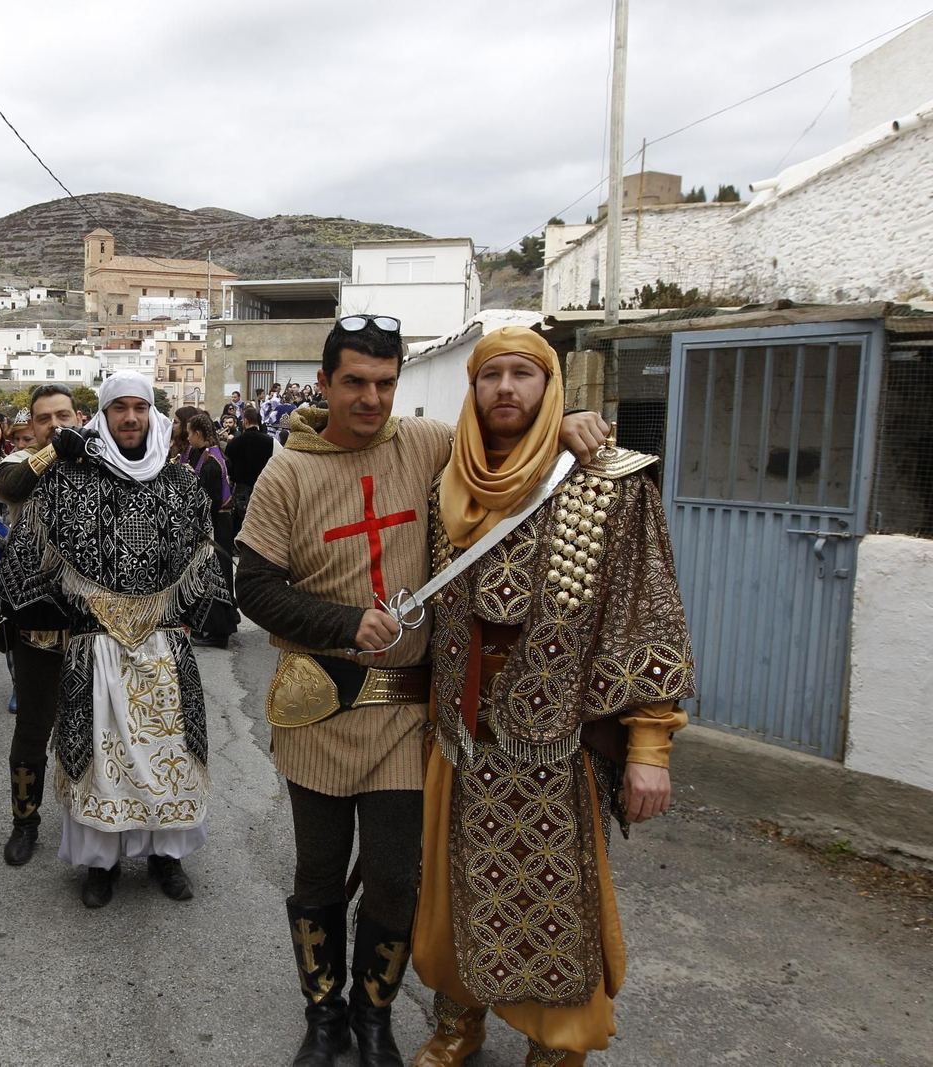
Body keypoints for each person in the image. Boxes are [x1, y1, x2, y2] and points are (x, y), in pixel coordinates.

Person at [235, 316, 609, 1067]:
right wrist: (345, 622)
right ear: (325, 383)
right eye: (354, 383)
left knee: (397, 880)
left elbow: (499, 439)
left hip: (408, 712)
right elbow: (252, 586)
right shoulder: (288, 472)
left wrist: (563, 420)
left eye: (384, 382)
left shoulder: (426, 443)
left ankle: (375, 1019)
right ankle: (324, 1015)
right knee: (317, 875)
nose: (370, 398)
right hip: (320, 707)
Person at [409, 328, 692, 1067]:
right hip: (461, 738)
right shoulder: (448, 478)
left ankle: (557, 1041)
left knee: (552, 903)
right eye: (491, 375)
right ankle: (457, 1022)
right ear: (470, 390)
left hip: (556, 744)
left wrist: (650, 750)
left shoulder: (611, 481)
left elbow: (648, 617)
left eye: (525, 376)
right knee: (450, 895)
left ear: (553, 387)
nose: (507, 389)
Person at [0, 372, 228, 908]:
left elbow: (203, 551)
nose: (130, 418)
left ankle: (166, 858)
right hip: (95, 643)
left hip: (162, 647)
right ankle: (100, 865)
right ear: (102, 416)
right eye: (119, 408)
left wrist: (175, 614)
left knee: (167, 751)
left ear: (153, 414)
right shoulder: (69, 474)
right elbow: (15, 504)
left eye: (139, 408)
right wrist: (54, 452)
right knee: (101, 761)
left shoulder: (178, 482)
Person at [0, 384, 82, 866]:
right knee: (32, 727)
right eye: (45, 419)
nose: (55, 425)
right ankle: (25, 823)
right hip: (36, 619)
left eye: (64, 416)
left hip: (94, 621)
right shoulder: (15, 463)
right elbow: (11, 489)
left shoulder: (101, 464)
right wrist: (52, 452)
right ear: (30, 425)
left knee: (96, 725)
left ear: (81, 416)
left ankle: (93, 826)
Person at [186, 412, 239, 650]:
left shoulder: (209, 463)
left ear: (198, 434)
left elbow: (208, 501)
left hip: (216, 523)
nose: (188, 439)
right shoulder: (217, 456)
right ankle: (225, 621)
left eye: (189, 433)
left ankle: (219, 632)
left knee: (216, 576)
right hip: (223, 521)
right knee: (222, 574)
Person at [224, 404, 275, 537]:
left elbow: (228, 467)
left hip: (240, 491)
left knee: (240, 523)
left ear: (245, 421)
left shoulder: (234, 443)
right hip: (263, 489)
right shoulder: (271, 442)